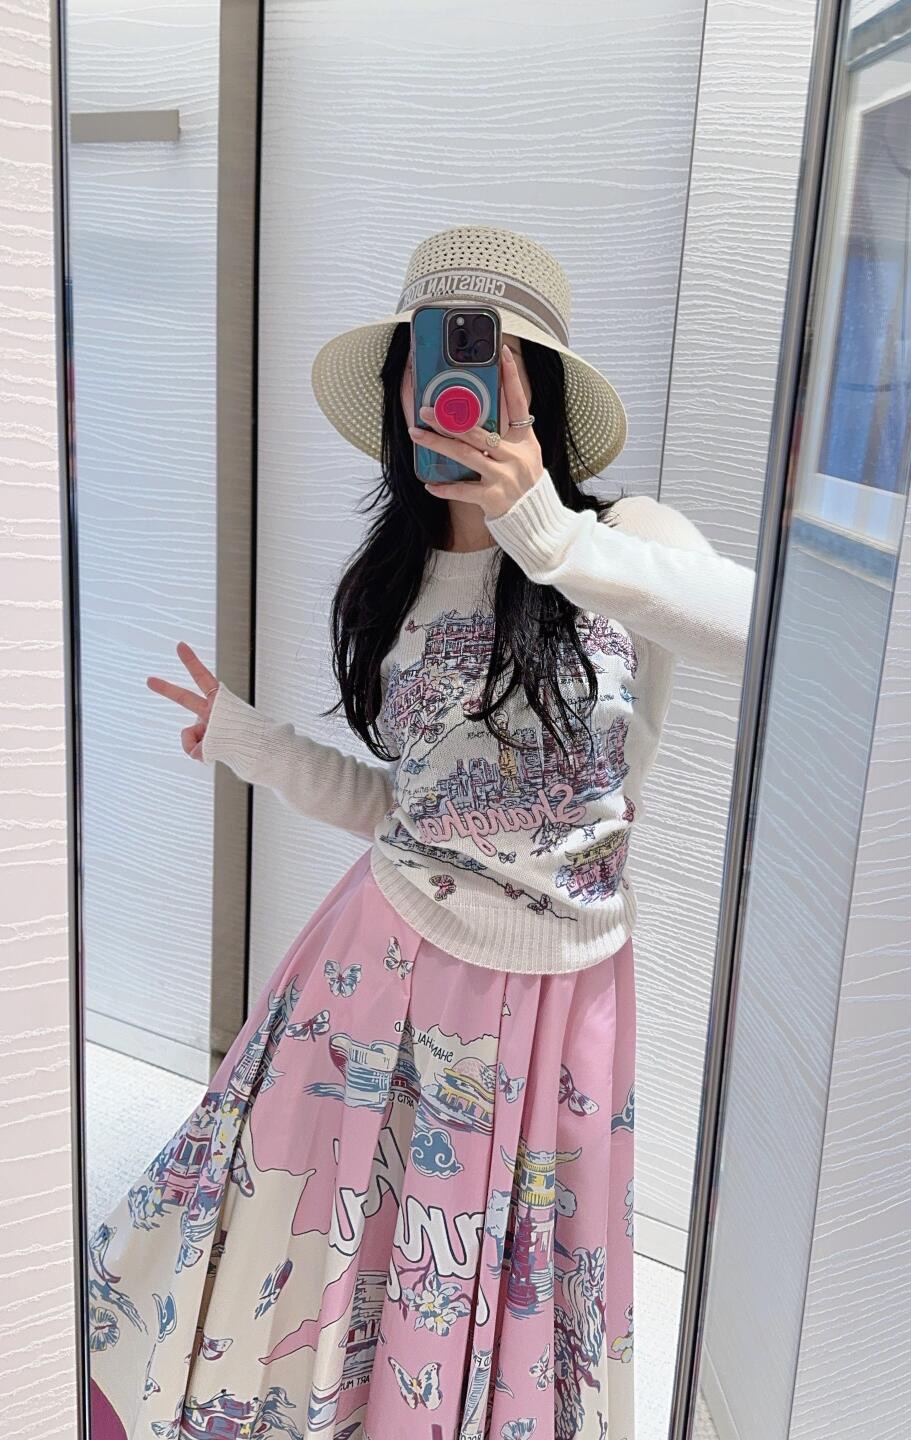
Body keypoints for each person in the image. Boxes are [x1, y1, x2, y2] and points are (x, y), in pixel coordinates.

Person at [88, 224, 756, 1440]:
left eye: (491, 358)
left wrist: (552, 538)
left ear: (538, 389)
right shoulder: (389, 585)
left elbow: (768, 631)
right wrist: (250, 741)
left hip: (563, 1003)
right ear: (401, 390)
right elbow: (401, 810)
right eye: (427, 359)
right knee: (322, 1254)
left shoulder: (629, 542)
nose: (451, 388)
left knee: (514, 1282)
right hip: (380, 967)